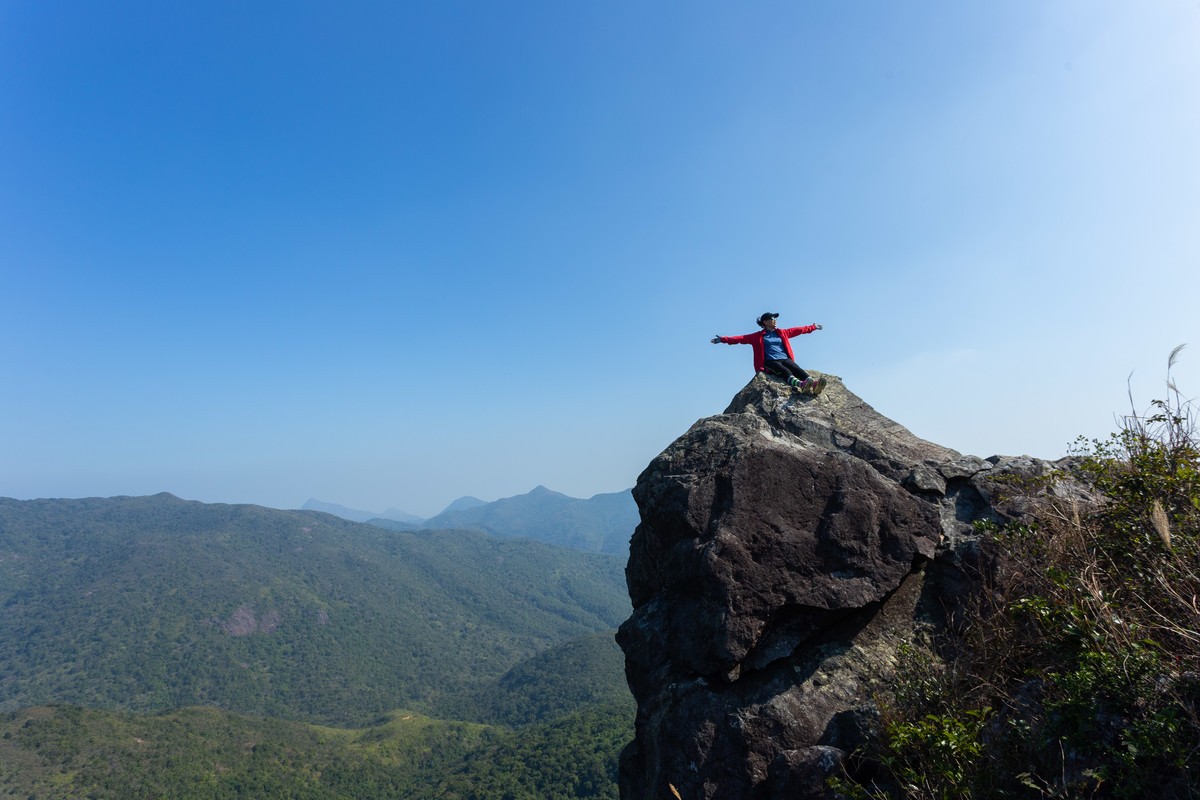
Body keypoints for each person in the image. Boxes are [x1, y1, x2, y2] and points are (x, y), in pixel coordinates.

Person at [711, 312, 826, 393]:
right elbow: (741, 338)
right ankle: (802, 385)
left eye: (775, 319)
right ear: (765, 322)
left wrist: (813, 327)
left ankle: (814, 384)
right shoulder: (757, 336)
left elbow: (799, 330)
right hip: (769, 361)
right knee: (785, 371)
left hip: (784, 358)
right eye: (772, 318)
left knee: (797, 369)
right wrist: (724, 339)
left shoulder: (782, 332)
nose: (775, 320)